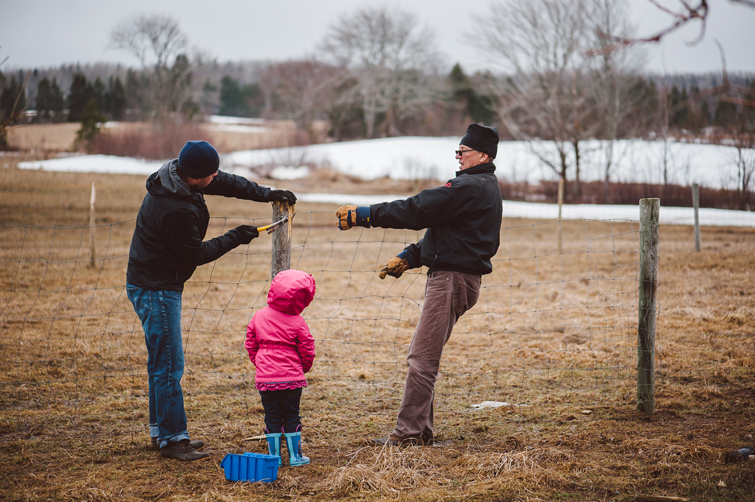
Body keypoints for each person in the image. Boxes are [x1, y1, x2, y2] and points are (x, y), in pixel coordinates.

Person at [126, 140, 297, 461]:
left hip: (155, 280)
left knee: (161, 363)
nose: (216, 176)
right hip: (156, 287)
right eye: (211, 173)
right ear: (195, 176)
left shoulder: (179, 180)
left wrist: (267, 193)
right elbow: (194, 254)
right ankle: (173, 440)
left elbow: (227, 182)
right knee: (169, 365)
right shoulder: (174, 208)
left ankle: (161, 431)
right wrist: (237, 236)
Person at [335, 123, 502, 446]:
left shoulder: (471, 186)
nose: (458, 156)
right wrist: (411, 257)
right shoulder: (478, 186)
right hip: (455, 278)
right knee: (425, 356)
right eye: (457, 150)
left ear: (482, 154)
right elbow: (449, 233)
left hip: (451, 281)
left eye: (463, 151)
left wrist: (365, 215)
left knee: (421, 358)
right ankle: (421, 430)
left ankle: (408, 433)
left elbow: (418, 209)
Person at [245, 269, 316, 467]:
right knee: (292, 415)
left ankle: (273, 458)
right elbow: (307, 347)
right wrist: (303, 367)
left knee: (272, 416)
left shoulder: (259, 316)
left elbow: (250, 343)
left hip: (266, 380)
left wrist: (259, 363)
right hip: (292, 379)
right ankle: (295, 457)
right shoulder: (298, 321)